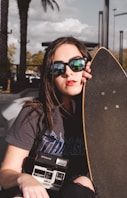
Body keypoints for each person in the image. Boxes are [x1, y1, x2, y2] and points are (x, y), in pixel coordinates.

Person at [0, 36, 96, 198]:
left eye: (77, 64)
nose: (68, 72)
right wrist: (24, 179)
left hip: (76, 191)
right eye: (58, 68)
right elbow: (7, 172)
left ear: (88, 67)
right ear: (49, 75)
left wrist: (103, 84)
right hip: (37, 191)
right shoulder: (34, 113)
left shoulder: (102, 113)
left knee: (83, 183)